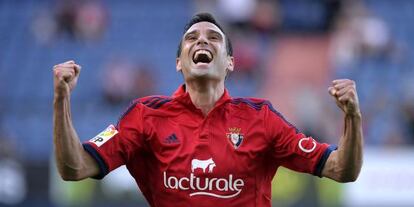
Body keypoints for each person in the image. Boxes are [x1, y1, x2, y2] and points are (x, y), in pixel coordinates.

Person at [53, 13, 363, 206]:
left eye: (214, 37)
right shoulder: (145, 116)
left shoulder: (261, 118)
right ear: (179, 62)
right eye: (192, 38)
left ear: (230, 62)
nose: (203, 40)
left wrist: (352, 117)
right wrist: (61, 100)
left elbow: (342, 170)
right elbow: (74, 168)